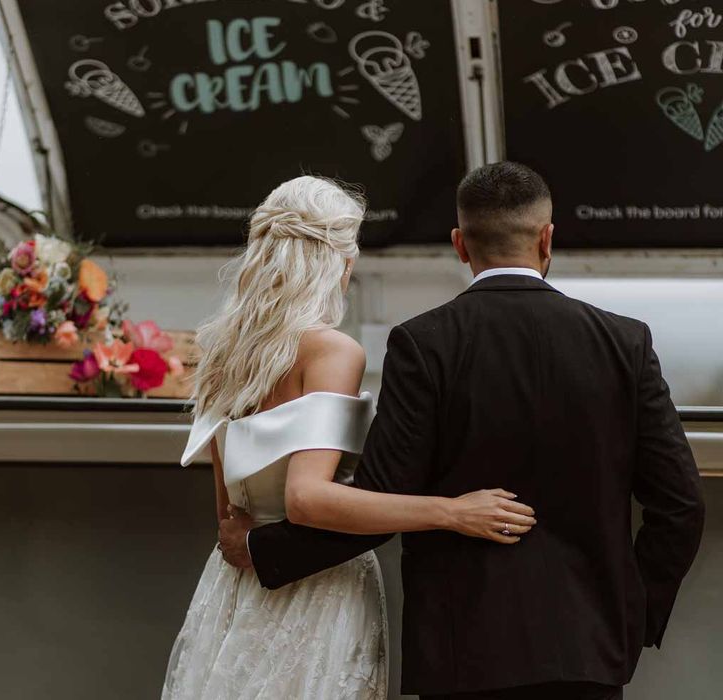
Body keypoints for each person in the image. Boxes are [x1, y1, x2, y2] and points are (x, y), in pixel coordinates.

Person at [220, 162, 706, 700]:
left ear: (459, 244)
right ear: (548, 239)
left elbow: (384, 497)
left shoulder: (424, 343)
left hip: (462, 650)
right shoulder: (625, 342)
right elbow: (681, 503)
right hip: (589, 649)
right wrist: (632, 614)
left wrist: (265, 548)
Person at [161, 175, 536, 700]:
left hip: (236, 587)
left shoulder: (224, 353)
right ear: (340, 261)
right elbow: (308, 498)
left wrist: (248, 542)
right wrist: (452, 512)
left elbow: (229, 516)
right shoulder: (332, 352)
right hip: (317, 590)